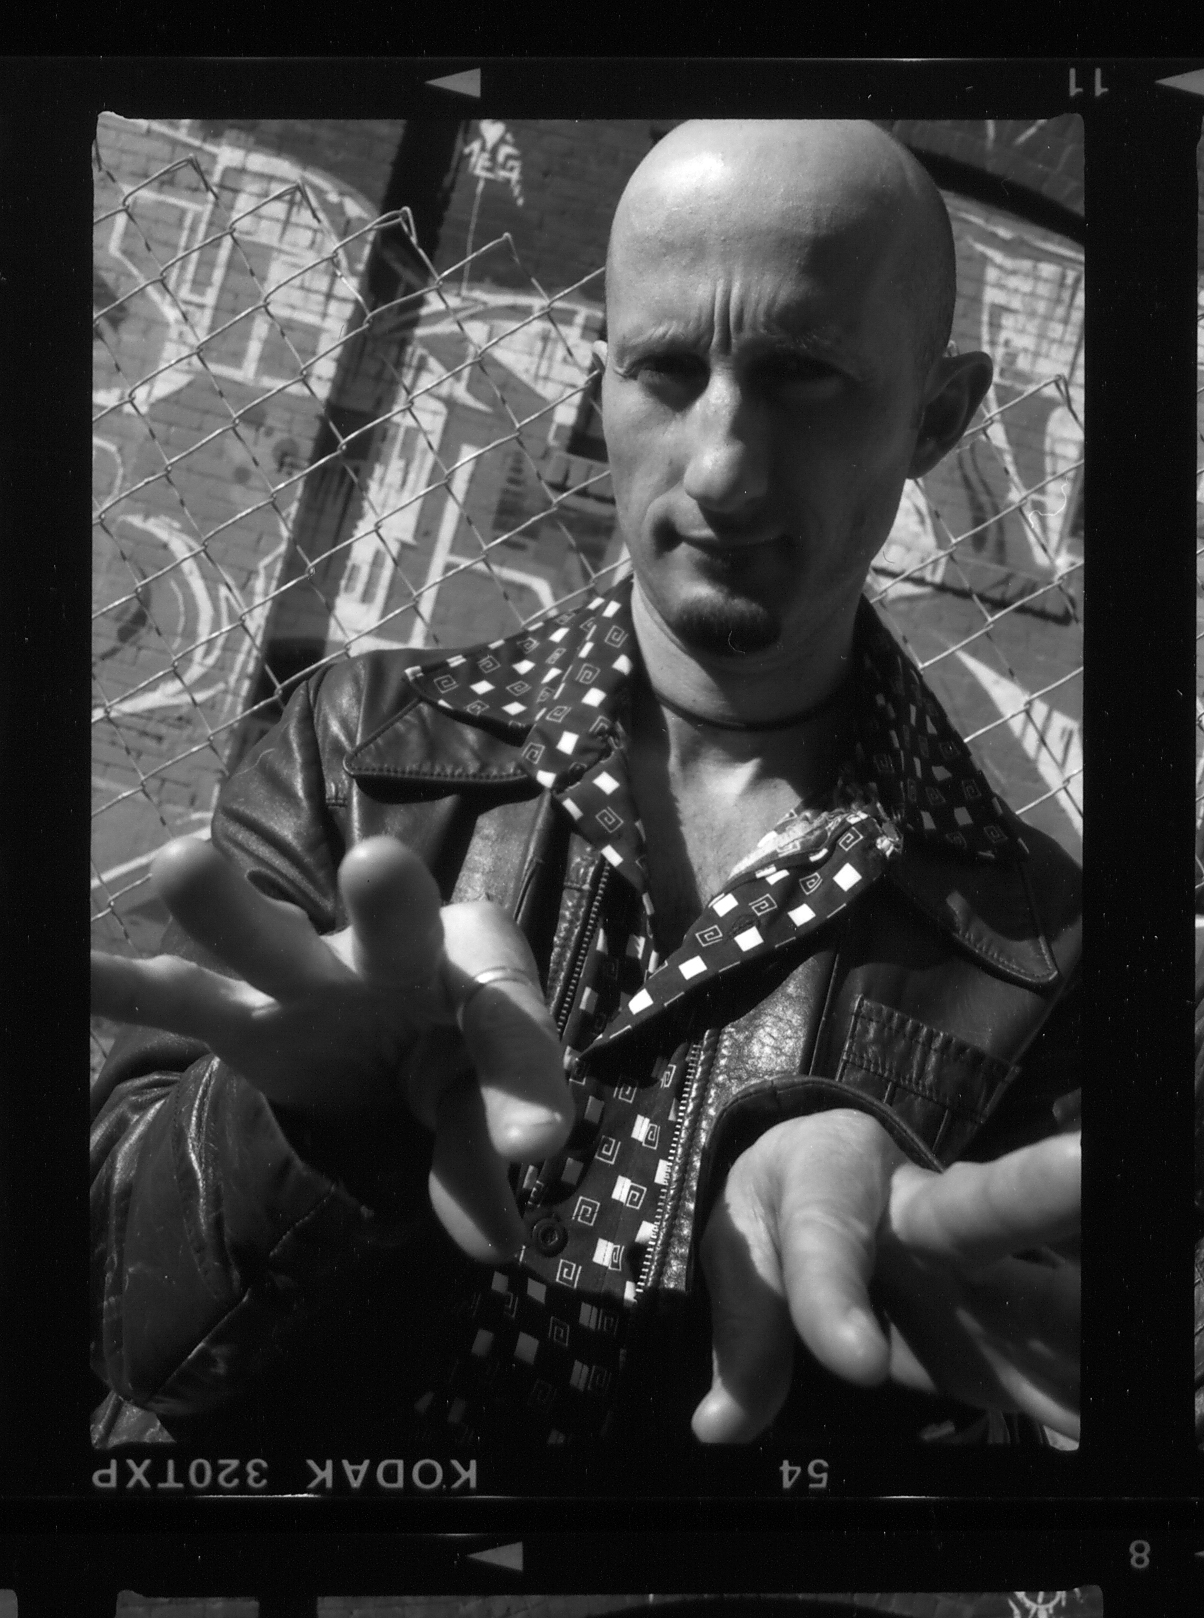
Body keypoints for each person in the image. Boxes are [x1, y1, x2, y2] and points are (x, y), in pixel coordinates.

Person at [91, 119, 1081, 1458]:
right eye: (666, 369)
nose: (722, 469)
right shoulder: (362, 745)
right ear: (602, 377)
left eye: (805, 374)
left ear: (938, 416)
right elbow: (126, 1328)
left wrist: (890, 1237)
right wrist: (307, 1124)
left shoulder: (1039, 943)